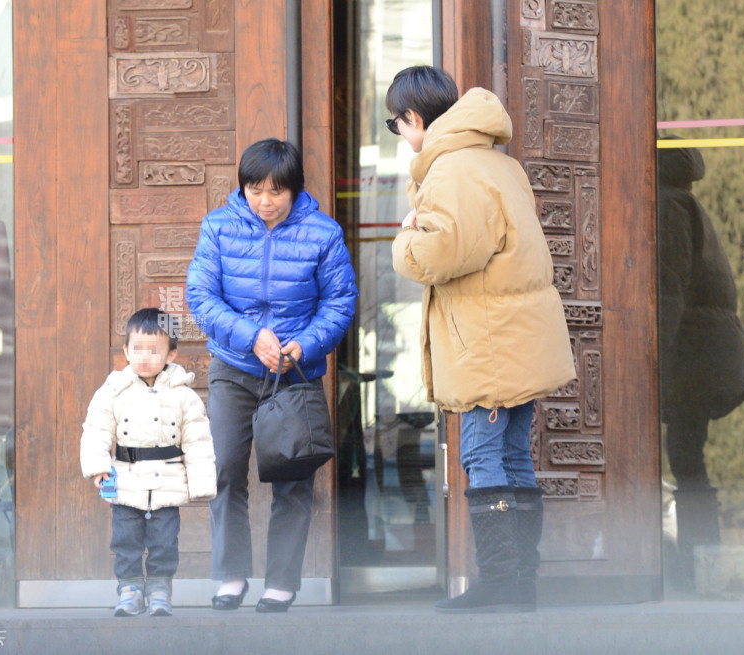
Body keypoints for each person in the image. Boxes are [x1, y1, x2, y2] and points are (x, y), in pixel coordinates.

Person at [386, 66, 575, 613]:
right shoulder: (498, 162)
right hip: (514, 335)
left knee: (482, 452)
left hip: (487, 340)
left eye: (397, 124)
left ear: (413, 118)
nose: (399, 134)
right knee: (513, 454)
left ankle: (499, 582)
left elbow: (440, 254)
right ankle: (520, 583)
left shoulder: (452, 170)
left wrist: (404, 239)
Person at [186, 138, 357, 613]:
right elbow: (201, 296)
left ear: (294, 189)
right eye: (254, 190)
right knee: (224, 469)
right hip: (234, 367)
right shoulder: (218, 226)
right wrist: (250, 336)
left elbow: (340, 301)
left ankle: (281, 582)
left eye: (276, 191)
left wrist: (304, 345)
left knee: (294, 475)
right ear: (242, 188)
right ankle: (231, 575)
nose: (264, 201)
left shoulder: (323, 233)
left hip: (294, 371)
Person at [80, 307, 216, 617]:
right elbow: (96, 429)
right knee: (125, 539)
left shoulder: (184, 396)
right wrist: (99, 467)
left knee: (164, 541)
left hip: (168, 482)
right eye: (137, 349)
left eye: (154, 350)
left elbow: (198, 442)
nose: (144, 357)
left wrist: (201, 483)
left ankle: (159, 589)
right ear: (126, 351)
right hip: (126, 480)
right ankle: (129, 589)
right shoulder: (113, 390)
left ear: (171, 354)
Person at [658, 141, 744, 590]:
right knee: (687, 457)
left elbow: (669, 286)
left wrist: (653, 352)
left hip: (691, 353)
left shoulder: (669, 207)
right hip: (708, 352)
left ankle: (694, 566)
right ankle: (699, 565)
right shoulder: (688, 204)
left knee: (683, 457)